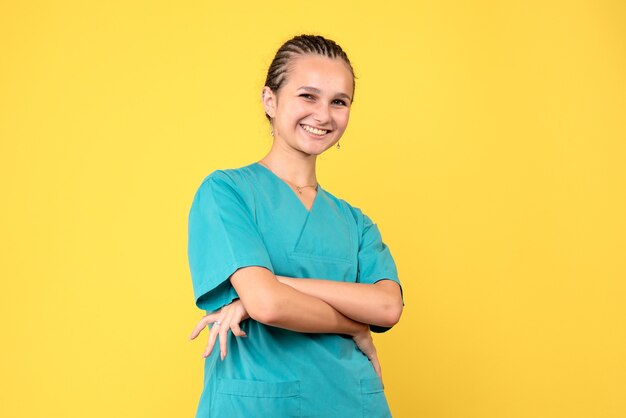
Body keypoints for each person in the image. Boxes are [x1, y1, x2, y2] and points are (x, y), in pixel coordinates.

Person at [187, 34, 404, 417]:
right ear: (270, 100)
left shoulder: (355, 222)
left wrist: (275, 284)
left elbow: (387, 306)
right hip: (259, 403)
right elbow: (268, 305)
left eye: (339, 101)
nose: (323, 114)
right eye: (308, 96)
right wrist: (354, 326)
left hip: (351, 400)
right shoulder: (225, 192)